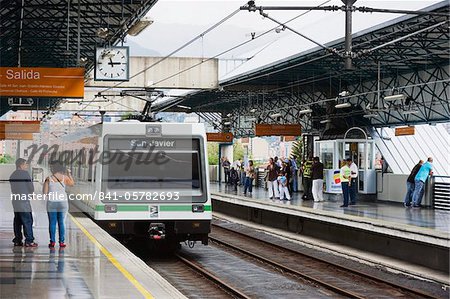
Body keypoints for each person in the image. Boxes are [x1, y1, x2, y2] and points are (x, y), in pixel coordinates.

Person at [43, 161, 74, 248]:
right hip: (63, 203)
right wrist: (69, 174)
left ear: (53, 168)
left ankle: (52, 242)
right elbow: (72, 184)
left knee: (52, 223)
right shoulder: (65, 177)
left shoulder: (48, 178)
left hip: (52, 202)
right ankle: (62, 242)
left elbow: (45, 192)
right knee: (62, 222)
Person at [9, 158, 38, 247]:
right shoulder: (25, 173)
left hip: (15, 200)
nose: (27, 166)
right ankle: (29, 240)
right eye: (25, 164)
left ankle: (17, 240)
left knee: (17, 220)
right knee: (27, 220)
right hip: (23, 200)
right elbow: (31, 187)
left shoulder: (12, 175)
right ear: (21, 165)